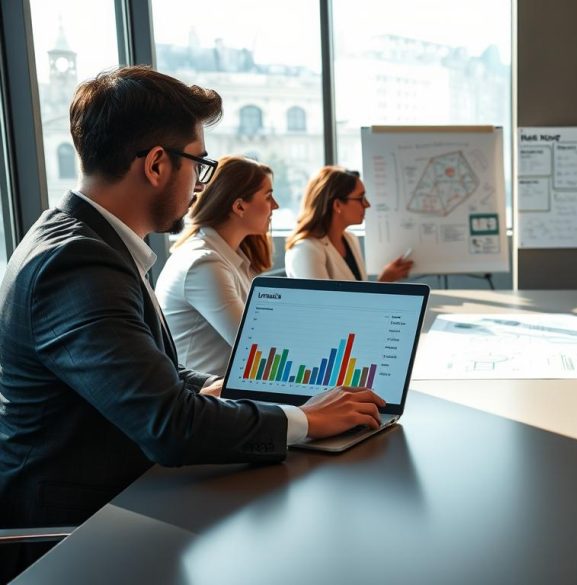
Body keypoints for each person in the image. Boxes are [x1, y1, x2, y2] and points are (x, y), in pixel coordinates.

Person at [0, 66, 384, 579]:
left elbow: (146, 368)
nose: (201, 185)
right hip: (75, 534)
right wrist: (308, 421)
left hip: (124, 500)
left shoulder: (85, 241)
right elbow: (169, 426)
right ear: (157, 164)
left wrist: (212, 386)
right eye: (199, 164)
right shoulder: (78, 263)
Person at [155, 156, 278, 375]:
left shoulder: (234, 257)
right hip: (205, 393)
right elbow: (256, 349)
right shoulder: (204, 264)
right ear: (239, 206)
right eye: (268, 196)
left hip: (228, 388)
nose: (275, 206)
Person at [285, 166, 413, 282]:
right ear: (337, 205)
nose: (367, 205)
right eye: (360, 198)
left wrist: (385, 280)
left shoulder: (350, 239)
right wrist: (383, 282)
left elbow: (358, 295)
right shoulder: (305, 250)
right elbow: (322, 301)